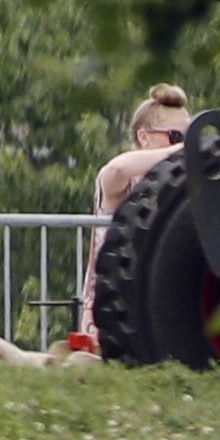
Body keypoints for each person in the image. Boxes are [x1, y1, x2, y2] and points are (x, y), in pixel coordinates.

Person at [76, 85, 195, 348]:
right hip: (109, 304)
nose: (182, 146)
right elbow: (117, 169)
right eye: (175, 136)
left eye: (188, 138)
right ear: (144, 136)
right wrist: (175, 154)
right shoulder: (125, 182)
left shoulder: (180, 189)